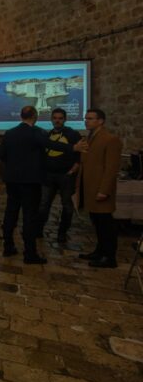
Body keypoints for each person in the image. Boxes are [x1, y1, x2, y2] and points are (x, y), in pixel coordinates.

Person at [0, 106, 86, 264]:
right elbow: (51, 144)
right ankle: (30, 253)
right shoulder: (37, 132)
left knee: (10, 212)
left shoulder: (9, 133)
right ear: (35, 116)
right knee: (29, 216)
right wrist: (72, 147)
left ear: (21, 116)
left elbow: (1, 155)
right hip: (30, 181)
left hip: (12, 180)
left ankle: (8, 246)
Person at [76, 109, 122, 268]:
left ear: (101, 121)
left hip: (100, 188)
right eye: (86, 118)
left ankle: (109, 257)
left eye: (90, 118)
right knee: (97, 222)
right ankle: (100, 251)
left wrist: (104, 190)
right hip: (90, 187)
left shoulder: (110, 139)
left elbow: (111, 168)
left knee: (106, 224)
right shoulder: (88, 138)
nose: (86, 121)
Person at [37, 108, 81, 243]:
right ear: (51, 119)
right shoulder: (47, 135)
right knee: (43, 205)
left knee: (67, 206)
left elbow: (79, 156)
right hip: (48, 176)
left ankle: (62, 232)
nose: (57, 120)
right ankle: (39, 229)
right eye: (55, 118)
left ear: (65, 119)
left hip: (65, 176)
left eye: (60, 118)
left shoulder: (73, 134)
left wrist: (72, 171)